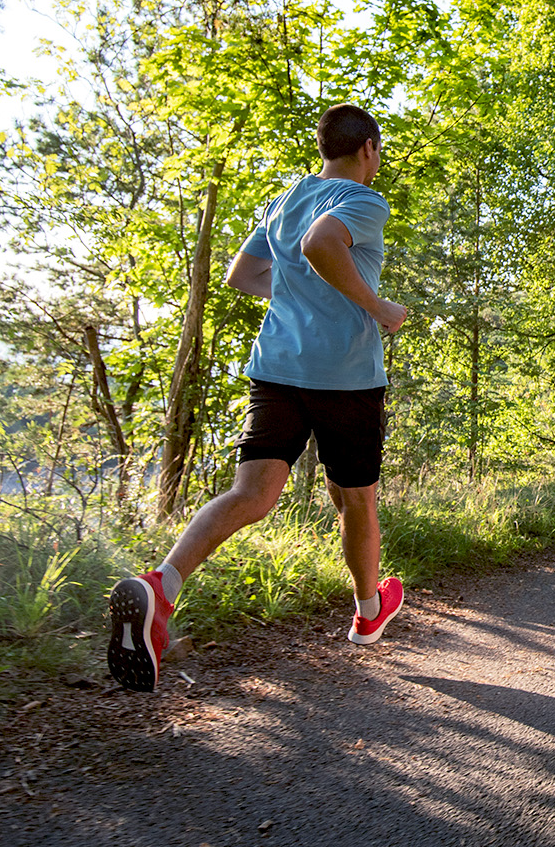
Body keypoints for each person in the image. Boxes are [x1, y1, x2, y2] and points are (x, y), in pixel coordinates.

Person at [107, 103, 411, 692]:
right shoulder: (365, 201)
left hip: (276, 368)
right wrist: (378, 307)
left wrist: (298, 299)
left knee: (252, 493)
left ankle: (161, 587)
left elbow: (242, 275)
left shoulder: (287, 198)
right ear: (368, 149)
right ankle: (370, 613)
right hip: (345, 377)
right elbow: (325, 244)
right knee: (357, 499)